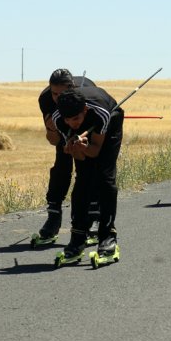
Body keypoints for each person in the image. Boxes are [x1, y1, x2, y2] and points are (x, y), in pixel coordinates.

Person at [52, 87, 124, 263]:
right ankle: (77, 239)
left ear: (84, 110)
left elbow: (95, 151)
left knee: (105, 178)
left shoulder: (102, 114)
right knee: (83, 178)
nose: (72, 124)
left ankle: (107, 237)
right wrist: (74, 148)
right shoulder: (59, 120)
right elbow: (81, 160)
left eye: (75, 119)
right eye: (67, 120)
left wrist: (85, 147)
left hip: (110, 123)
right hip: (87, 129)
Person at [36, 69, 98, 242]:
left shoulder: (85, 94)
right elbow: (54, 141)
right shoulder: (46, 99)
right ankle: (54, 216)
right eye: (54, 93)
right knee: (61, 167)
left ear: (71, 88)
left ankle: (93, 216)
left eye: (61, 94)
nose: (57, 98)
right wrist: (51, 128)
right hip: (63, 130)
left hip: (85, 127)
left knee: (87, 167)